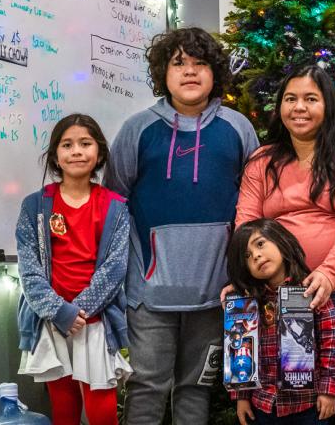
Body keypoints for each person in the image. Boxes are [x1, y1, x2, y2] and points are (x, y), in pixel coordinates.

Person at [104, 27, 259, 425]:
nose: (190, 72)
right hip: (149, 295)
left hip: (214, 295)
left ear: (215, 73)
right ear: (163, 73)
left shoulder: (238, 129)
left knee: (196, 389)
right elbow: (114, 206)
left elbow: (255, 204)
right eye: (179, 63)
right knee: (146, 387)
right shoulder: (137, 130)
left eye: (200, 63)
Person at [234, 64, 335, 425]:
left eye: (310, 99)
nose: (299, 108)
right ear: (280, 107)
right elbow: (246, 222)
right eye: (290, 99)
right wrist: (244, 277)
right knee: (301, 404)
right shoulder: (262, 160)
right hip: (288, 300)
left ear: (328, 106)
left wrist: (329, 273)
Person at [16, 113, 132, 425]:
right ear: (55, 154)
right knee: (63, 406)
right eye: (67, 145)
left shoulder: (115, 206)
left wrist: (78, 312)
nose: (76, 151)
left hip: (95, 322)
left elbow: (115, 268)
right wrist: (59, 312)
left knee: (102, 409)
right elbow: (28, 271)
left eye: (85, 143)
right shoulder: (34, 206)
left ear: (99, 152)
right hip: (51, 322)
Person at [227, 218, 335, 425]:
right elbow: (241, 353)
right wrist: (241, 398)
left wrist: (328, 390)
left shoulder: (312, 293)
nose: (256, 255)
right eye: (247, 256)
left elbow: (330, 345)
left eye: (260, 244)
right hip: (263, 406)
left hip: (308, 405)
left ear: (280, 241)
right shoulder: (245, 305)